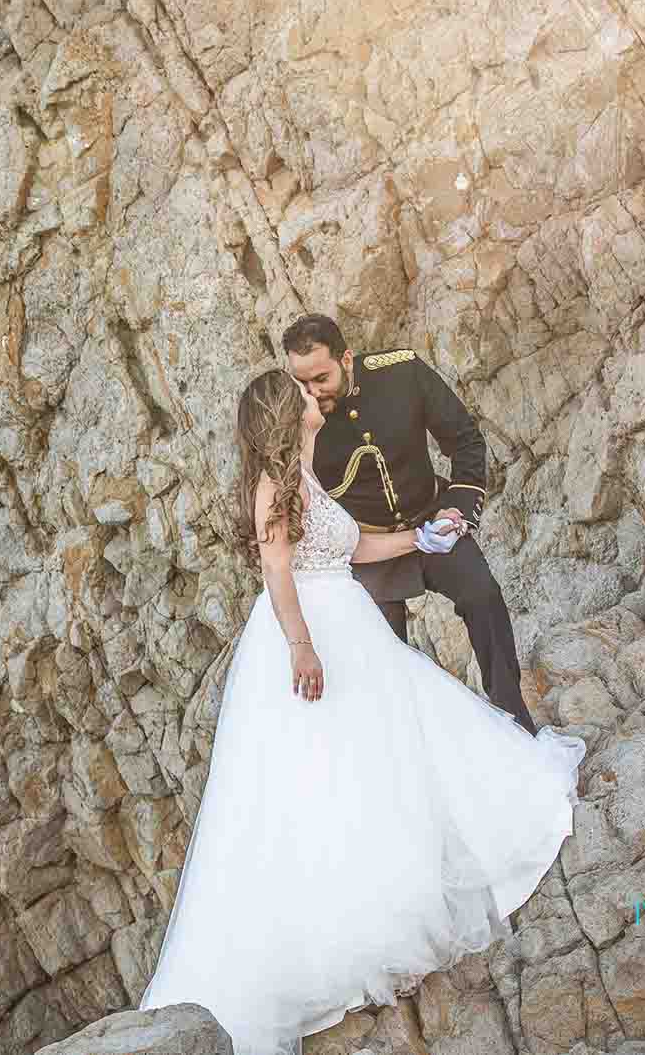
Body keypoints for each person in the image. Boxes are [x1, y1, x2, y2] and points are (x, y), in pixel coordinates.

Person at [136, 368, 585, 1055]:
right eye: (300, 391)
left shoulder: (302, 472)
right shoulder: (272, 487)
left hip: (344, 621)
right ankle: (360, 925)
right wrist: (301, 648)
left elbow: (352, 548)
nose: (314, 395)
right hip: (312, 636)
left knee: (390, 747)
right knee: (332, 772)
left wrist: (422, 541)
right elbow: (277, 569)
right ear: (287, 412)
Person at [281, 314, 537, 733]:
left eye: (321, 378)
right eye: (302, 382)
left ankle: (515, 720)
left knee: (483, 596)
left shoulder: (402, 372)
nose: (312, 393)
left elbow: (466, 440)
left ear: (346, 359)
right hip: (368, 552)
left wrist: (454, 509)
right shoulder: (298, 419)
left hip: (431, 520)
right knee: (386, 662)